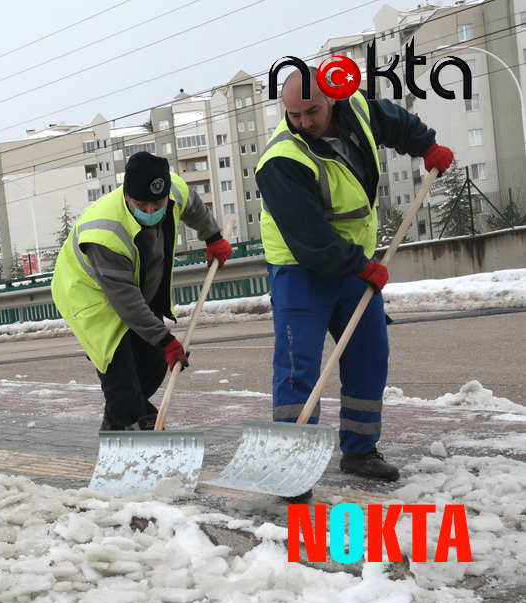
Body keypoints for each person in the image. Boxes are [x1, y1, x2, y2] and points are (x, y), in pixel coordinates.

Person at [255, 68, 454, 482]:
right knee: (299, 367)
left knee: (368, 354)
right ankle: (290, 468)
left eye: (312, 111)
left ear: (330, 98)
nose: (305, 122)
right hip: (300, 266)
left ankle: (360, 453)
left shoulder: (355, 106)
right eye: (294, 115)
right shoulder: (280, 160)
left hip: (353, 261)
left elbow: (392, 121)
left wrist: (426, 145)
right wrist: (363, 266)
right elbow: (311, 239)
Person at [52, 152, 233, 431]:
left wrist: (212, 236)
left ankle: (120, 414)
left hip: (132, 287)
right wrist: (166, 339)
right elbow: (126, 301)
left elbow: (194, 206)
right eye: (141, 205)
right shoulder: (104, 233)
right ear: (127, 196)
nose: (151, 211)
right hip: (87, 292)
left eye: (157, 204)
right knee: (120, 369)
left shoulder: (173, 188)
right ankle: (133, 425)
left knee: (154, 362)